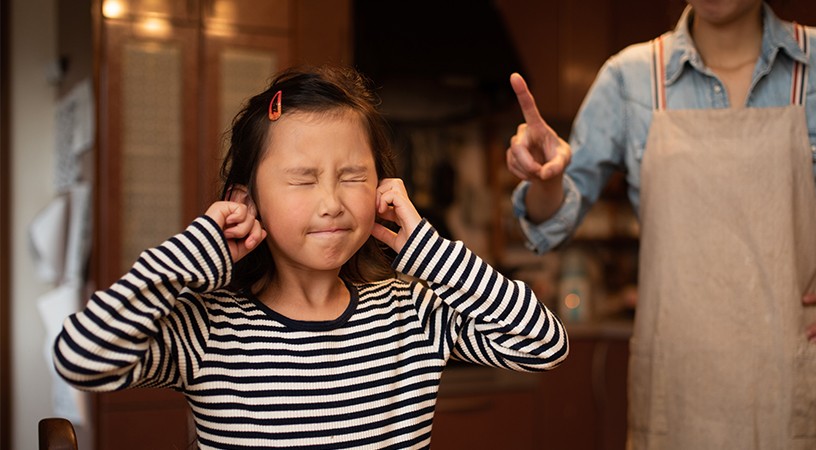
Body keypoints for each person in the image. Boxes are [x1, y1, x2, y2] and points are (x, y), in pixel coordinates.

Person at [54, 66, 568, 449]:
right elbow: (82, 357)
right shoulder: (209, 328)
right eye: (302, 179)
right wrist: (195, 251)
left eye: (352, 177)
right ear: (245, 201)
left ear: (384, 189)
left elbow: (544, 345)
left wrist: (426, 249)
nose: (332, 202)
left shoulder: (413, 312)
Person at [506, 0, 816, 448]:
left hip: (796, 386)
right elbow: (551, 223)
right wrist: (548, 179)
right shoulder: (629, 78)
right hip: (679, 391)